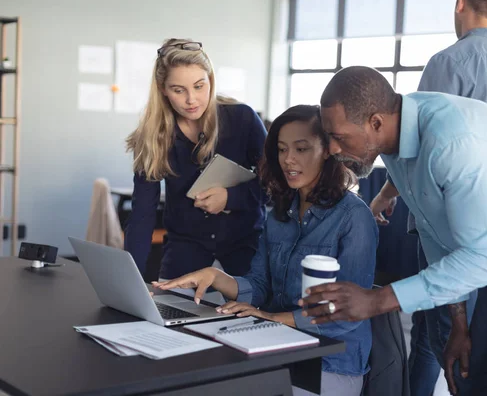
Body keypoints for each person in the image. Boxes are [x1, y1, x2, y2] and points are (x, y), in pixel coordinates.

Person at [299, 66, 487, 396]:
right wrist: (459, 321)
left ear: (375, 122)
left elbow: (483, 258)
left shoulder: (454, 144)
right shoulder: (396, 135)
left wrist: (377, 300)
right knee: (470, 377)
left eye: (339, 136)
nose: (332, 148)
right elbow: (437, 233)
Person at [370, 0, 487, 394]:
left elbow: (416, 143)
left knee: (439, 340)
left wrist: (384, 194)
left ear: (459, 2)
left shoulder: (448, 62)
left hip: (450, 223)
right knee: (479, 343)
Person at [154, 105, 378, 396]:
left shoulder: (353, 217)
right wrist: (215, 276)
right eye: (282, 149)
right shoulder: (280, 215)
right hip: (276, 351)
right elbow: (259, 285)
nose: (288, 160)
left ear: (327, 150)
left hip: (330, 364)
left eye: (301, 149)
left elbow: (350, 311)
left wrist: (273, 318)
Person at [125, 38, 267, 281]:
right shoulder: (151, 137)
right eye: (178, 90)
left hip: (247, 254)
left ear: (210, 80)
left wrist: (231, 197)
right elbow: (142, 216)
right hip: (183, 257)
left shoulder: (242, 119)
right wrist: (130, 280)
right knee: (170, 315)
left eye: (199, 86)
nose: (191, 99)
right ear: (162, 89)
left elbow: (278, 184)